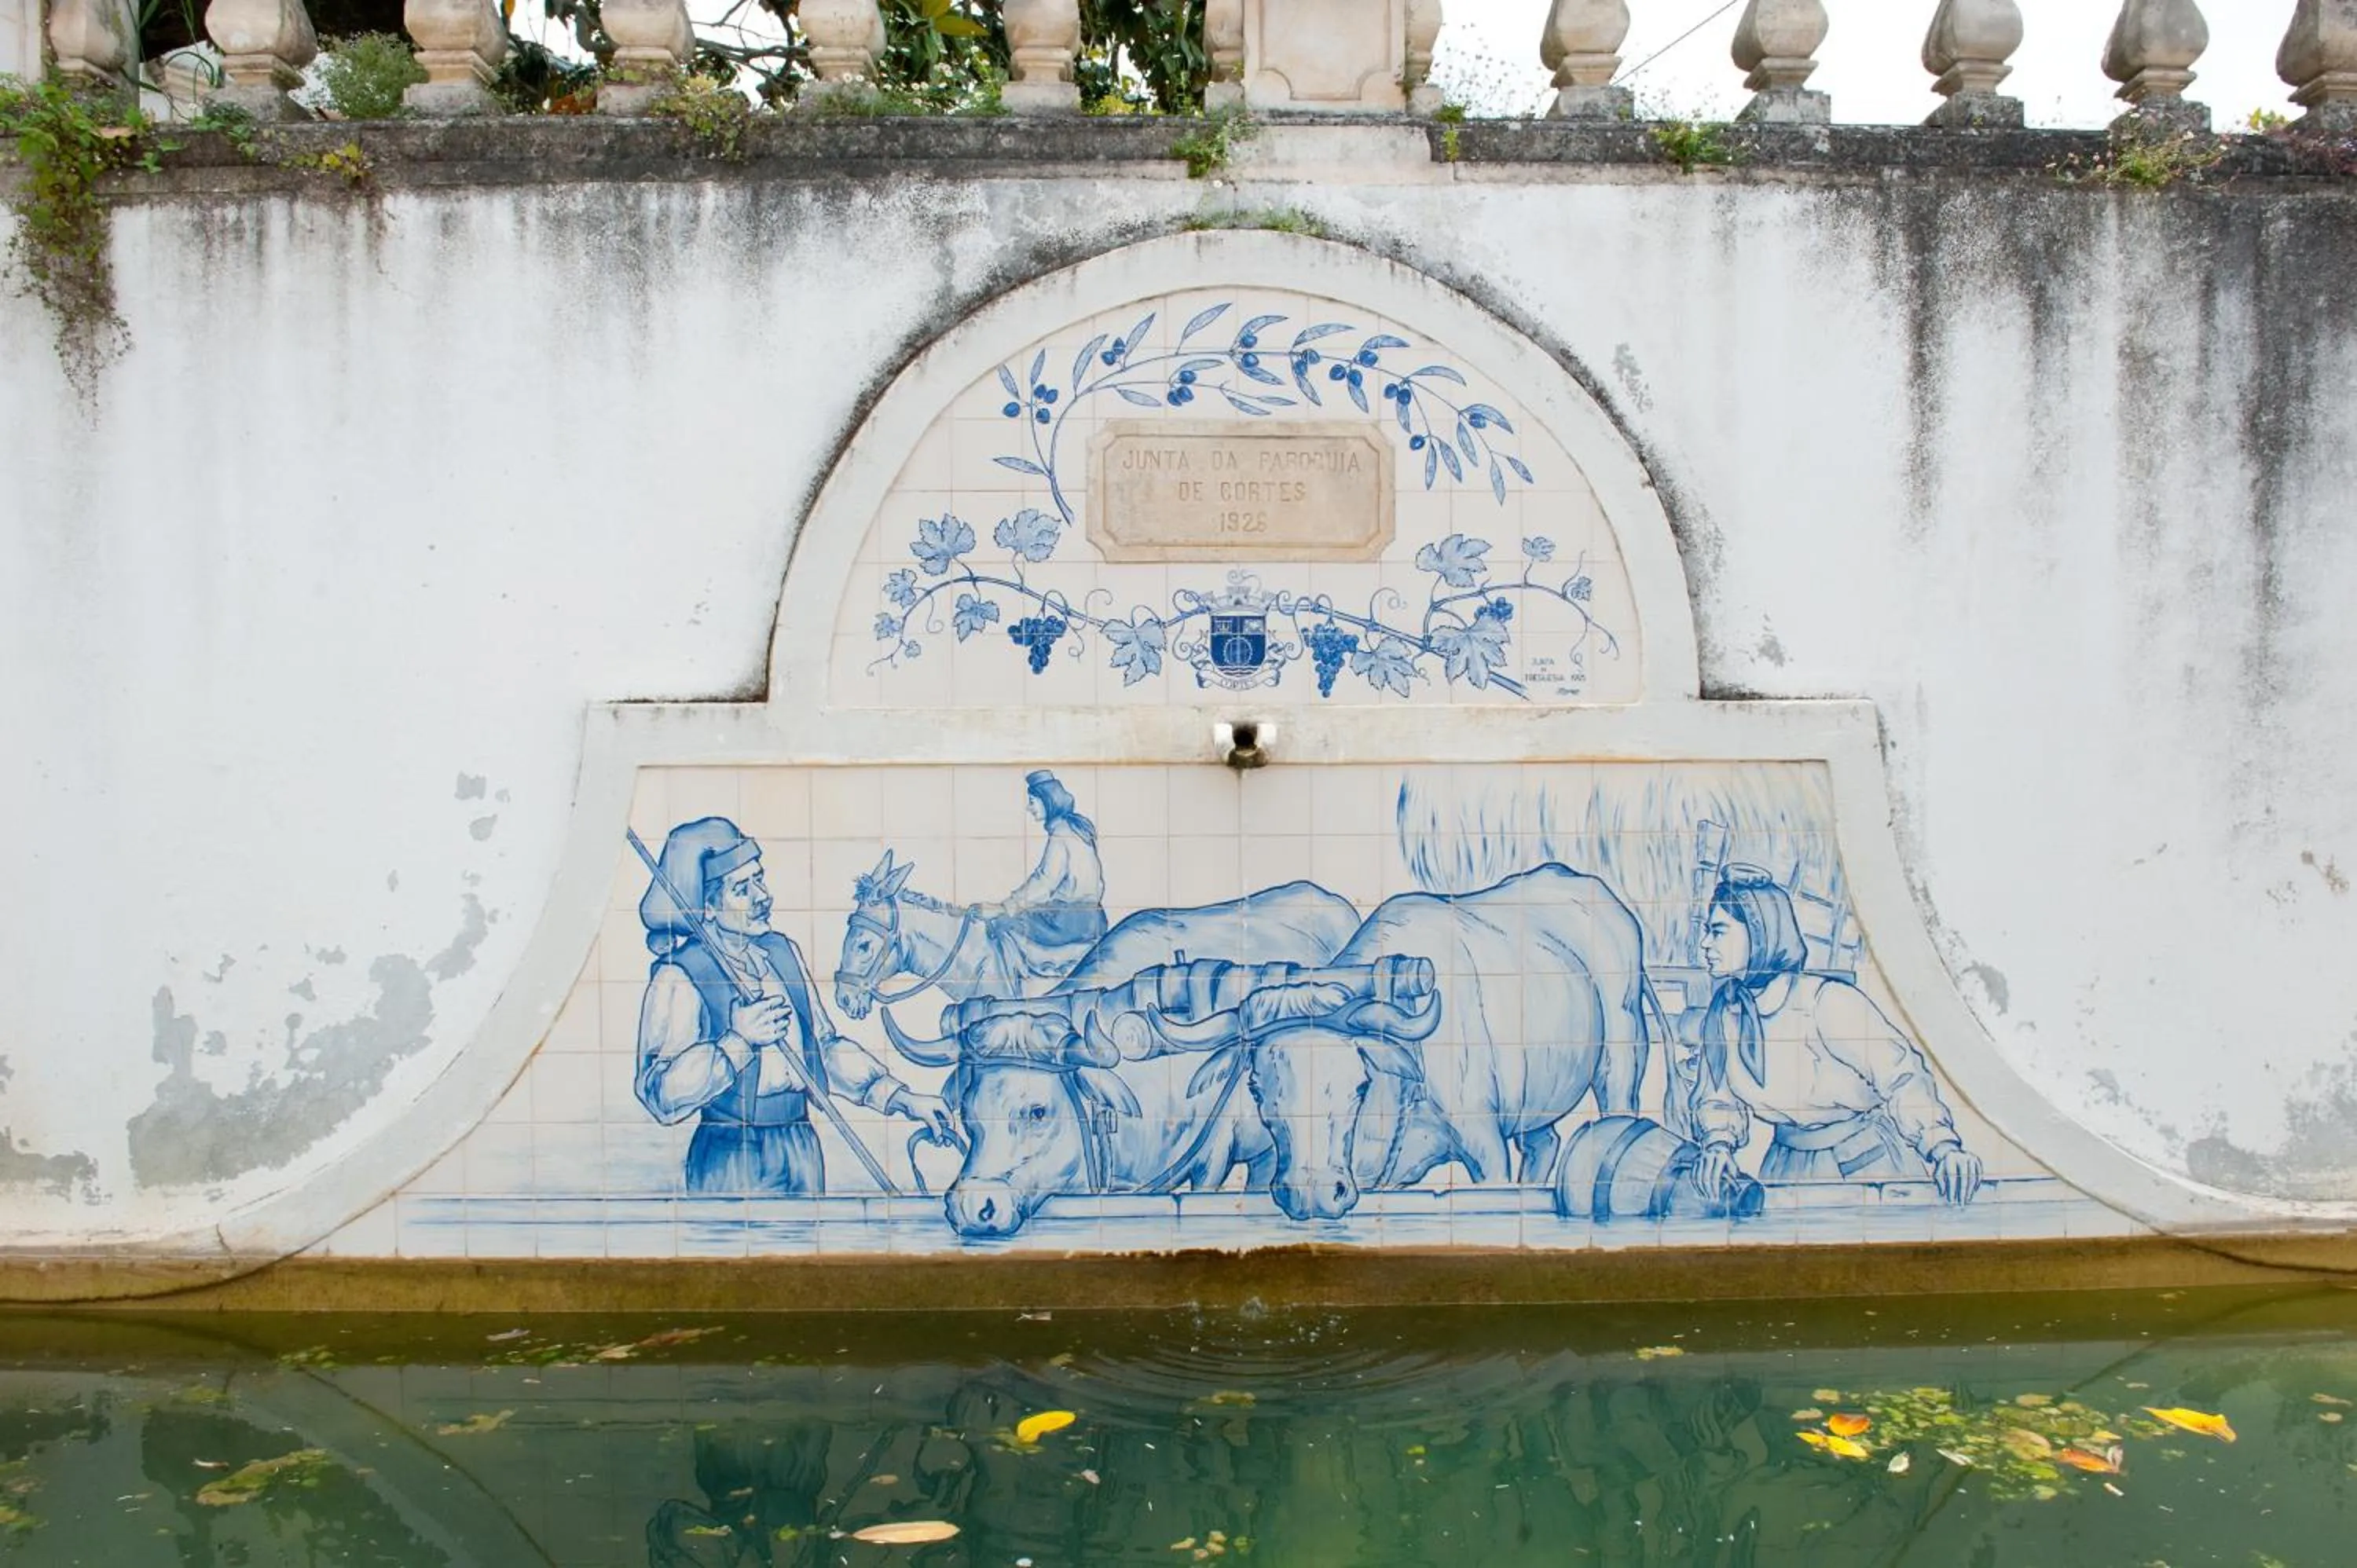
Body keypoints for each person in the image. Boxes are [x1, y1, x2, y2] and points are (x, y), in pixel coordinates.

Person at [635, 816, 954, 1194]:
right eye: (742, 889)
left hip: (800, 1145)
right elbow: (660, 1095)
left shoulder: (782, 953)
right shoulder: (680, 976)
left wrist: (901, 1098)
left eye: (760, 879)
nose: (762, 896)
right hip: (731, 1155)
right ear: (706, 908)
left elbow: (823, 1050)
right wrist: (739, 1040)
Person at [1684, 864, 1984, 1207]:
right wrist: (1718, 1144)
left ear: (1760, 933)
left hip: (1867, 1162)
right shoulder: (1724, 1015)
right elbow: (1717, 1095)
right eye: (1707, 931)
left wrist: (1943, 1146)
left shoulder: (1826, 1003)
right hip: (1784, 1167)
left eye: (1718, 931)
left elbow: (1901, 1076)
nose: (1705, 944)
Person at [973, 771, 1108, 989]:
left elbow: (1045, 882)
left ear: (1048, 800)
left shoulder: (1061, 833)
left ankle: (1014, 990)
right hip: (1092, 917)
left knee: (1002, 923)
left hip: (1068, 920)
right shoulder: (1076, 828)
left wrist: (1002, 907)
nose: (1029, 807)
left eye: (1032, 801)